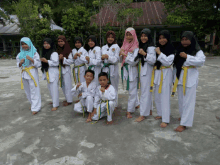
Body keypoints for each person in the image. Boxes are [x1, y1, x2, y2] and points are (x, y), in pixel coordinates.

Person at [172, 31, 206, 132]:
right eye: (182, 39)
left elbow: (201, 61)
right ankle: (183, 116)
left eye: (186, 39)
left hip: (190, 77)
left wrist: (187, 57)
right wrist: (174, 79)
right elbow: (175, 65)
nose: (184, 42)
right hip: (180, 77)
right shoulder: (179, 50)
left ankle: (184, 123)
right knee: (181, 100)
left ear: (191, 40)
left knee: (189, 101)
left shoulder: (197, 51)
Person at [152, 30, 175, 128]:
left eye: (163, 38)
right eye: (160, 38)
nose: (161, 40)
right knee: (157, 95)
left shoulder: (171, 49)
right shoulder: (157, 49)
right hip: (158, 73)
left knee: (165, 96)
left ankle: (166, 119)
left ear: (168, 38)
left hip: (166, 73)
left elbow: (167, 62)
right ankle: (160, 113)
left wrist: (159, 53)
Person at [134, 28, 156, 122]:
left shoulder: (151, 47)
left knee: (144, 93)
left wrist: (145, 54)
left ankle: (143, 114)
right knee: (147, 92)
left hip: (147, 72)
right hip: (143, 71)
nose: (143, 38)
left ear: (149, 37)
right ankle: (149, 110)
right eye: (142, 36)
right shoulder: (141, 46)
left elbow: (153, 60)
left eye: (145, 36)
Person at [16, 37, 41, 115]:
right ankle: (33, 104)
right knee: (27, 91)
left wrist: (31, 59)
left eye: (25, 44)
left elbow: (39, 64)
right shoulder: (20, 54)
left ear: (29, 43)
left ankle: (36, 107)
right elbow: (18, 64)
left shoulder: (34, 53)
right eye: (22, 44)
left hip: (32, 73)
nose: (24, 46)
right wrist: (20, 62)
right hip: (24, 73)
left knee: (34, 90)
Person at [120, 27, 140, 119]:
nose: (128, 36)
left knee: (132, 91)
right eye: (127, 34)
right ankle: (136, 103)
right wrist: (121, 55)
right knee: (132, 89)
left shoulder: (136, 46)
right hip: (126, 70)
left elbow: (134, 61)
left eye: (130, 34)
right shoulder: (124, 45)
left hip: (132, 70)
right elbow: (120, 59)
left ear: (134, 35)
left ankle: (129, 110)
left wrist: (125, 55)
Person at [101, 31, 120, 108]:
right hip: (105, 69)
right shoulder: (103, 47)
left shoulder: (116, 47)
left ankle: (114, 105)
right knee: (106, 86)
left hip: (113, 69)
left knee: (114, 87)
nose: (110, 39)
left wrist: (108, 57)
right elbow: (100, 58)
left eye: (112, 37)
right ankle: (106, 103)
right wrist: (102, 59)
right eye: (109, 37)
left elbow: (116, 59)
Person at [41, 38, 59, 111]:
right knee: (50, 88)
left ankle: (56, 104)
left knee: (54, 88)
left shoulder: (54, 53)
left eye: (47, 43)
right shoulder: (44, 52)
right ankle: (54, 101)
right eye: (44, 43)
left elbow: (56, 63)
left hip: (53, 71)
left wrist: (47, 61)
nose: (46, 45)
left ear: (51, 44)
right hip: (48, 72)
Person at [57, 35, 73, 106]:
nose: (60, 43)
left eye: (62, 41)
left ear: (65, 42)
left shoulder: (68, 50)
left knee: (67, 85)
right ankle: (67, 98)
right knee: (62, 85)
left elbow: (71, 61)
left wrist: (63, 59)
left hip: (66, 69)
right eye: (59, 41)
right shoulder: (57, 50)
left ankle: (69, 100)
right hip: (60, 69)